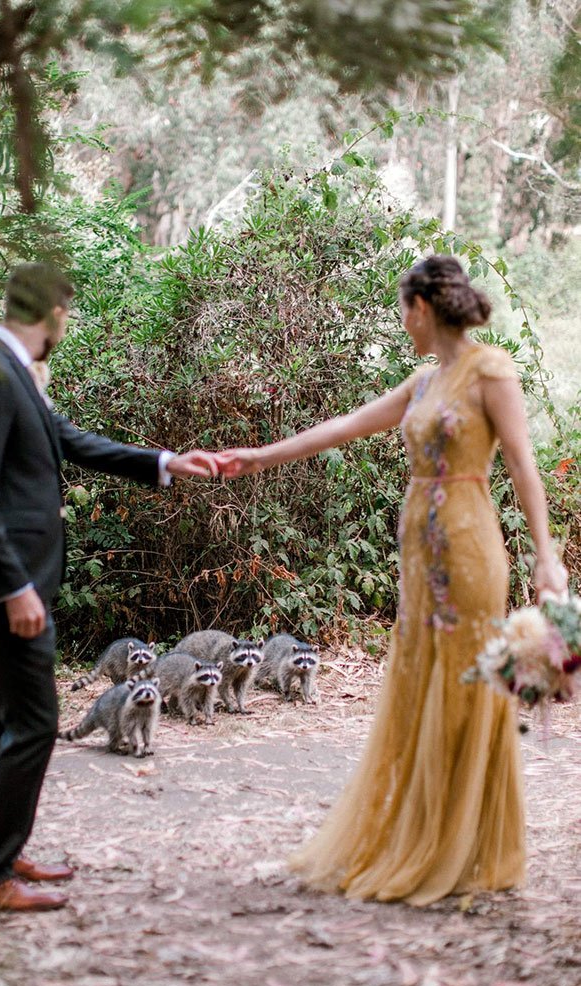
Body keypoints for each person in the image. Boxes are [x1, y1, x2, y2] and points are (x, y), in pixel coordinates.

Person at [217, 255, 568, 906]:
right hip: (419, 556)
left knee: (465, 685)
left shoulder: (491, 370)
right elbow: (343, 427)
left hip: (469, 549)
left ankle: (460, 846)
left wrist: (547, 557)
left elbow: (523, 465)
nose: (403, 322)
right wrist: (258, 457)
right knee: (419, 681)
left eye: (404, 310)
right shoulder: (423, 382)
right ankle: (420, 834)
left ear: (422, 307)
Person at [0, 262, 218, 912]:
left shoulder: (11, 370)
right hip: (5, 583)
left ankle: (1, 853)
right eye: (67, 313)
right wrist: (14, 587)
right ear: (53, 312)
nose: (67, 325)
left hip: (16, 578)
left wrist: (163, 462)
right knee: (36, 722)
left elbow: (67, 439)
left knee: (6, 722)